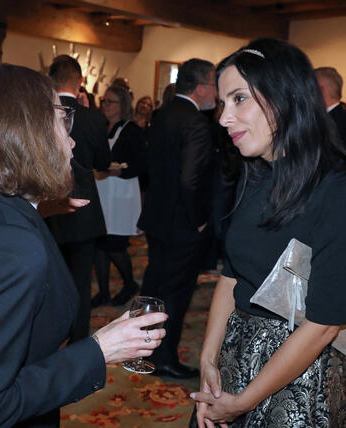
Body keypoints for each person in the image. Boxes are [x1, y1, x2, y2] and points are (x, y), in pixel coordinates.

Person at [0, 63, 167, 427]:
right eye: (61, 118)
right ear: (23, 133)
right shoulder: (11, 245)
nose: (72, 139)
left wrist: (34, 209)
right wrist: (100, 349)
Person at [190, 38, 346, 427]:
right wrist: (207, 359)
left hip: (296, 376)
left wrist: (243, 402)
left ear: (285, 96)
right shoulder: (255, 172)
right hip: (235, 358)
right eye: (222, 102)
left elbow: (325, 325)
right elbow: (231, 275)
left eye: (239, 99)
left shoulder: (338, 191)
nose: (223, 118)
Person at [138, 58, 217, 379]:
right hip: (182, 222)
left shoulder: (163, 114)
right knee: (175, 292)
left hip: (157, 216)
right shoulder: (195, 122)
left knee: (154, 284)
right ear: (200, 88)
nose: (217, 92)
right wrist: (200, 219)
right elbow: (190, 180)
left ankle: (143, 349)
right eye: (214, 85)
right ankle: (164, 357)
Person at [45, 55, 110, 342]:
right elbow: (103, 161)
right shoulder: (93, 117)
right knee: (81, 281)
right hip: (84, 207)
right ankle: (79, 339)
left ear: (50, 79)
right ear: (80, 82)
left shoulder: (39, 113)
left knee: (47, 280)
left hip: (47, 205)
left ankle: (49, 337)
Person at [91, 85, 147, 308]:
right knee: (99, 244)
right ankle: (103, 291)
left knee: (115, 245)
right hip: (102, 191)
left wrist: (120, 170)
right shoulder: (101, 127)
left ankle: (130, 283)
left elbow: (142, 164)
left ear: (122, 105)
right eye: (104, 101)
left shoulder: (132, 130)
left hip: (122, 192)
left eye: (110, 102)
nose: (105, 105)